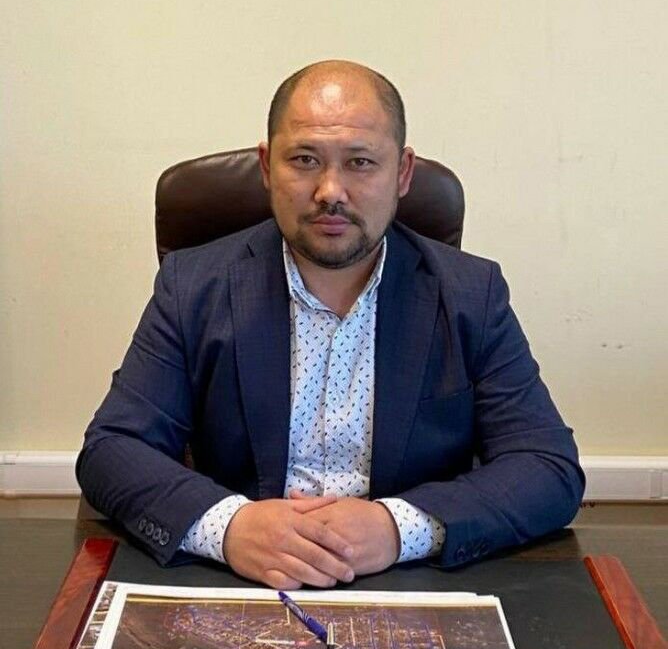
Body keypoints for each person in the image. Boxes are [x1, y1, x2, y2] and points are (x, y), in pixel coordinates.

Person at [77, 60, 585, 590]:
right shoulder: (193, 286)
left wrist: (398, 528)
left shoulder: (470, 295)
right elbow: (113, 449)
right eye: (304, 160)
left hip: (408, 579)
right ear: (267, 167)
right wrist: (230, 527)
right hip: (243, 580)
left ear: (402, 173)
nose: (330, 191)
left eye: (361, 162)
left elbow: (546, 466)